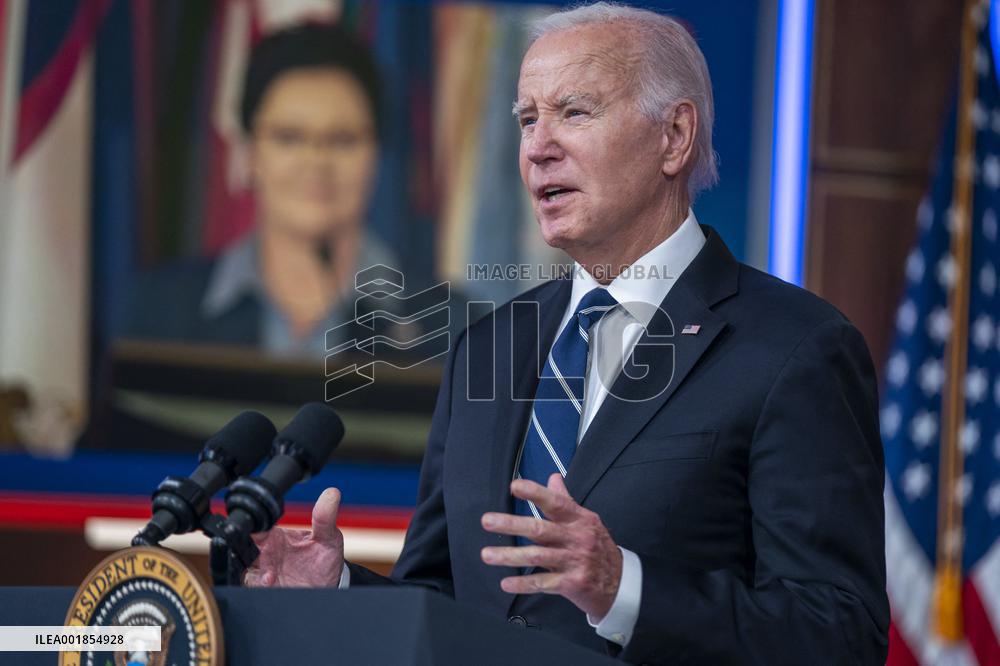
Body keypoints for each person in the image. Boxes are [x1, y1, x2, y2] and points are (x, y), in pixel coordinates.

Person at [245, 4, 890, 664]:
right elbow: (439, 605)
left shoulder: (795, 348)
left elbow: (837, 633)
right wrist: (338, 589)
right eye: (528, 118)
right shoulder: (488, 347)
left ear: (675, 135)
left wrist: (623, 589)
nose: (537, 146)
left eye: (574, 112)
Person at [124, 23, 405, 357]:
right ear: (249, 152)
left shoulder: (449, 325)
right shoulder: (159, 315)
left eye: (342, 140)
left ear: (376, 154)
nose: (316, 161)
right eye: (289, 137)